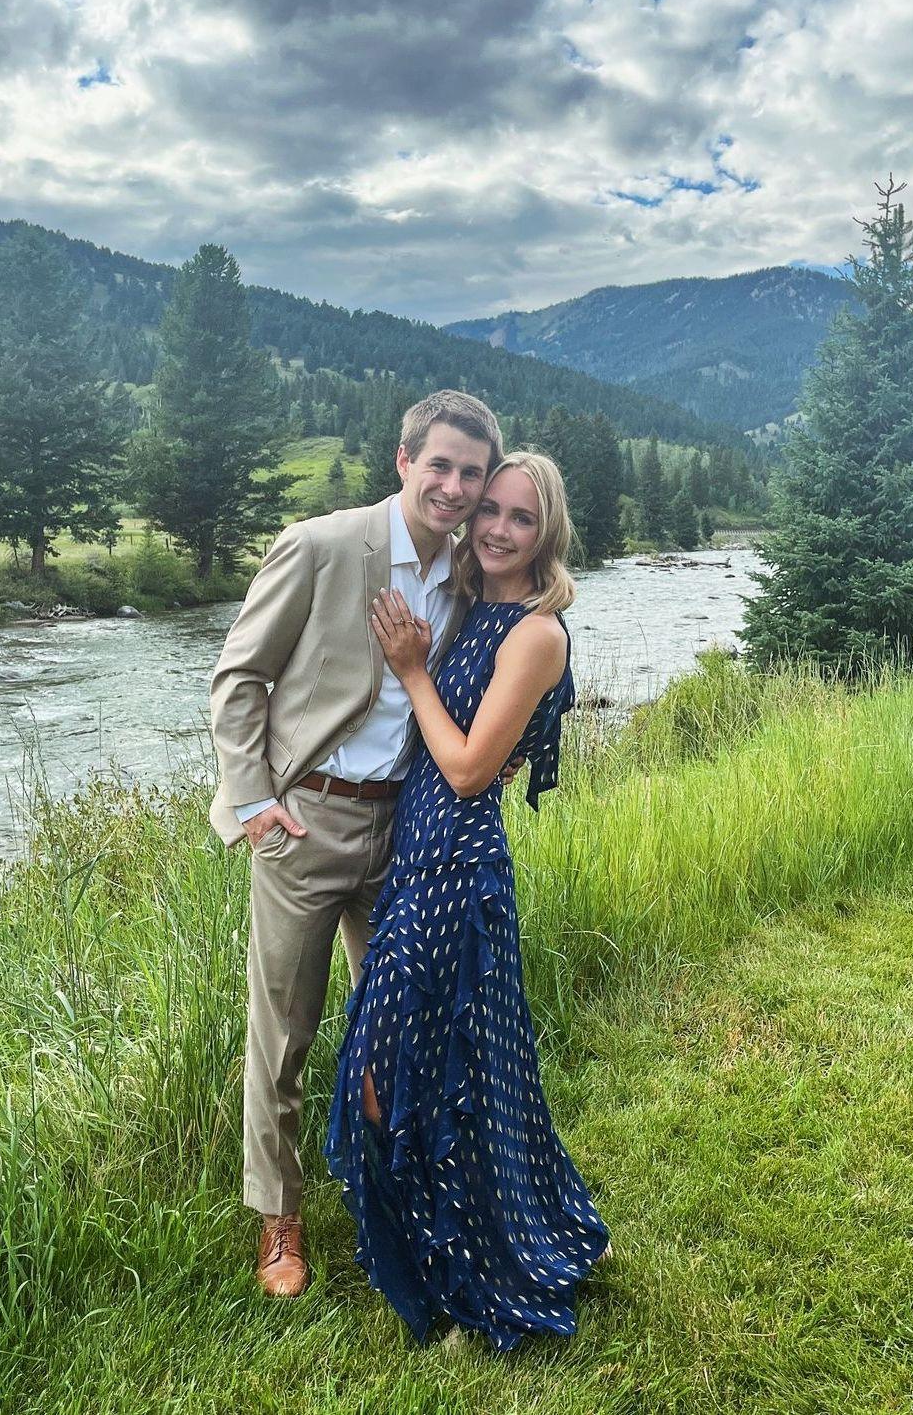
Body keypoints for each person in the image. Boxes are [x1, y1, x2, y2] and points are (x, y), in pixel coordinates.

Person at [208, 390, 505, 1298]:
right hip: (306, 823)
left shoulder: (467, 574)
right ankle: (280, 1219)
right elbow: (239, 677)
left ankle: (400, 1191)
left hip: (403, 826)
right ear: (404, 460)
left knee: (404, 1025)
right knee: (284, 1032)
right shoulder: (323, 545)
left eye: (471, 473)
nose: (453, 487)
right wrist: (253, 801)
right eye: (439, 464)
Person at [324, 452, 611, 1352]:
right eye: (489, 509)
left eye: (521, 517)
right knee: (444, 1075)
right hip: (416, 861)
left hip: (456, 872)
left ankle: (469, 1271)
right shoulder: (465, 608)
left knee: (402, 1079)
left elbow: (466, 768)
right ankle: (462, 1247)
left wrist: (412, 669)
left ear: (546, 532)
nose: (497, 528)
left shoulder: (536, 631)